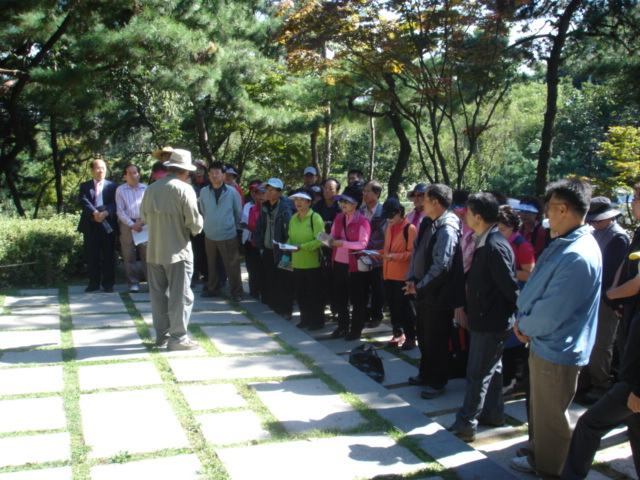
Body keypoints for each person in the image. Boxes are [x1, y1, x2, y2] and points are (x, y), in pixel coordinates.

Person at [511, 178, 602, 478]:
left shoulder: (577, 254)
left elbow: (553, 311)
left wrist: (525, 324)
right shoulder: (565, 241)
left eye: (549, 209)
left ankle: (552, 470)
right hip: (543, 341)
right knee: (540, 411)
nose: (547, 216)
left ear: (563, 209)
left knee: (551, 418)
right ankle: (539, 457)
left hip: (557, 345)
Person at [447, 193, 519, 443]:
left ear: (478, 216)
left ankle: (466, 423)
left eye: (467, 212)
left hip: (492, 322)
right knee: (493, 368)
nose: (464, 216)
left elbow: (511, 288)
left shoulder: (494, 245)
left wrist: (519, 317)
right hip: (486, 318)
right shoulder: (484, 240)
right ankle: (494, 414)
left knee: (477, 372)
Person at [406, 183, 465, 399]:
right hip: (422, 290)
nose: (421, 202)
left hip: (438, 294)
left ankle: (438, 381)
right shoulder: (427, 222)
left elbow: (442, 266)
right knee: (423, 334)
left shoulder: (447, 227)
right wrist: (411, 278)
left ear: (436, 203)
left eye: (426, 198)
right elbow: (416, 252)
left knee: (437, 339)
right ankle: (425, 372)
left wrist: (420, 287)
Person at [141, 149, 203, 351]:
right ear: (186, 171)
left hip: (154, 250)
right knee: (181, 296)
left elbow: (144, 218)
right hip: (178, 251)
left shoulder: (151, 189)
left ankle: (162, 337)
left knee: (158, 296)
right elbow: (194, 223)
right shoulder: (185, 190)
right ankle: (178, 338)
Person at [580, 196, 629, 404]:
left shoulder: (618, 238)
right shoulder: (593, 233)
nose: (592, 222)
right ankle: (587, 380)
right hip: (590, 296)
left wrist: (610, 298)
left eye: (596, 219)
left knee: (602, 344)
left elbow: (612, 273)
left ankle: (602, 385)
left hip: (607, 299)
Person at [329, 184, 371, 340]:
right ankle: (342, 326)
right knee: (340, 297)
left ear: (355, 204)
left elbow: (363, 244)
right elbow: (333, 235)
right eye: (342, 201)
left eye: (346, 202)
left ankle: (356, 329)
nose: (343, 204)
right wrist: (328, 240)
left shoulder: (363, 221)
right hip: (338, 262)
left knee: (356, 299)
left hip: (354, 266)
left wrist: (343, 244)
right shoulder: (339, 217)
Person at [198, 162, 244, 302]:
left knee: (232, 265)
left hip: (228, 234)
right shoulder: (204, 191)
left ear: (224, 175)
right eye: (211, 173)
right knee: (211, 264)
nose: (214, 176)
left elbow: (238, 212)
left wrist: (228, 224)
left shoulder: (232, 192)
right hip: (210, 234)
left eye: (217, 173)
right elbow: (202, 210)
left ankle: (237, 291)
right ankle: (213, 288)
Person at [254, 178, 296, 319]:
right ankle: (275, 309)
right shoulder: (265, 206)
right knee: (271, 280)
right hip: (267, 250)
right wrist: (260, 246)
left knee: (285, 281)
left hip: (283, 252)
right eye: (268, 189)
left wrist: (288, 253)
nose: (269, 192)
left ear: (280, 192)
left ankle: (286, 310)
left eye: (273, 190)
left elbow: (291, 232)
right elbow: (259, 228)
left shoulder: (286, 208)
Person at [379, 198, 418, 349]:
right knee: (393, 308)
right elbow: (388, 250)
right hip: (388, 274)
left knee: (405, 309)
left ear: (399, 212)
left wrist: (393, 257)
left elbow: (411, 253)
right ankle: (397, 333)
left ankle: (410, 337)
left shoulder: (410, 228)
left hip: (403, 276)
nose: (388, 219)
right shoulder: (390, 228)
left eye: (390, 216)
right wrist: (376, 253)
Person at [78, 158, 118, 293]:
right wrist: (95, 213)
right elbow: (83, 201)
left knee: (108, 254)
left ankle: (108, 284)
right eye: (98, 168)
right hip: (91, 223)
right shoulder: (85, 186)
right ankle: (93, 283)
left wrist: (105, 213)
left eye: (103, 168)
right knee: (92, 254)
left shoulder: (113, 186)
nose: (101, 171)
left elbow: (115, 203)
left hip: (107, 223)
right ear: (91, 170)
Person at [287, 188, 326, 330]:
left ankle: (318, 321)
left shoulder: (315, 217)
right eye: (296, 200)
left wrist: (301, 247)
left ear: (309, 202)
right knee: (301, 294)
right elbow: (291, 238)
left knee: (315, 294)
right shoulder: (293, 218)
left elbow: (320, 241)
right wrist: (287, 246)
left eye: (302, 200)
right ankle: (305, 319)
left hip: (313, 263)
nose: (298, 202)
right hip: (297, 263)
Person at [115, 164, 147, 293]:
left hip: (144, 224)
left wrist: (141, 222)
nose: (133, 175)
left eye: (135, 172)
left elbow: (150, 209)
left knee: (147, 255)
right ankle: (133, 283)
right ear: (125, 176)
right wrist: (131, 224)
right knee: (128, 255)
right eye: (130, 173)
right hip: (127, 225)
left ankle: (152, 282)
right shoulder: (120, 190)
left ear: (139, 174)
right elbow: (120, 211)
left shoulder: (146, 189)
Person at [314, 177, 342, 320]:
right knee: (321, 278)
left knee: (335, 279)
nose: (327, 191)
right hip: (319, 246)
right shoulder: (318, 206)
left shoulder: (340, 207)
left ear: (337, 191)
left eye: (330, 188)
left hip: (335, 247)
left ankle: (336, 308)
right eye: (325, 188)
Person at [360, 180, 387, 327]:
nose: (365, 194)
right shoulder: (361, 210)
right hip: (361, 256)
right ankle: (364, 314)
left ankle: (377, 315)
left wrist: (364, 247)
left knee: (377, 288)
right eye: (364, 191)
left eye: (368, 191)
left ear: (377, 193)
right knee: (363, 287)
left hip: (376, 257)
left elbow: (380, 236)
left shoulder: (382, 212)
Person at [497, 205, 535, 286]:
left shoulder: (523, 246)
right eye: (496, 229)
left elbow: (530, 274)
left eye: (502, 229)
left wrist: (503, 271)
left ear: (512, 227)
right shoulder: (498, 241)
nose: (498, 233)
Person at [240, 180, 264, 300]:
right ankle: (254, 292)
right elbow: (250, 224)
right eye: (254, 192)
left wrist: (251, 227)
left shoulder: (268, 208)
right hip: (251, 241)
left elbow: (255, 226)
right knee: (252, 268)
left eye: (259, 192)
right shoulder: (249, 207)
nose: (256, 195)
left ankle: (264, 293)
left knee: (262, 270)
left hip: (264, 244)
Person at [516, 195, 548, 260]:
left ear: (537, 214)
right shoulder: (517, 231)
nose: (524, 214)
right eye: (522, 211)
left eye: (528, 211)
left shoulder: (542, 231)